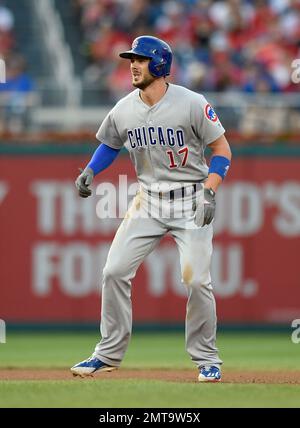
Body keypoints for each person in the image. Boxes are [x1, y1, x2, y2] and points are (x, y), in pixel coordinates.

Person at [71, 35, 232, 382]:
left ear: (159, 65)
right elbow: (109, 144)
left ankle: (207, 359)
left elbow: (222, 149)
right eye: (131, 59)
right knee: (114, 271)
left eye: (140, 59)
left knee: (196, 280)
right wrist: (90, 169)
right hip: (148, 201)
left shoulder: (191, 103)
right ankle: (108, 354)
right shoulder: (125, 107)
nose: (132, 64)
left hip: (191, 198)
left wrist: (210, 192)